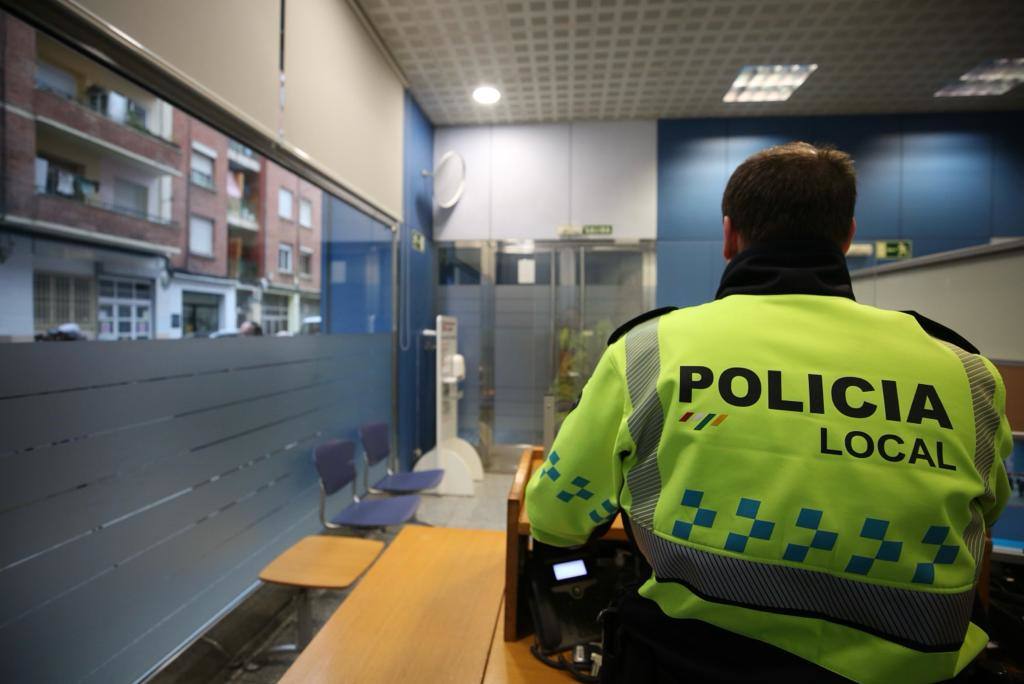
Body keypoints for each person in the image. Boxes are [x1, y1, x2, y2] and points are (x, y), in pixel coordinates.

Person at [524, 142, 1012, 683]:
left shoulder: (649, 351)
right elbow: (983, 516)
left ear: (730, 234)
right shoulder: (964, 372)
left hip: (688, 666)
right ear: (847, 235)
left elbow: (554, 517)